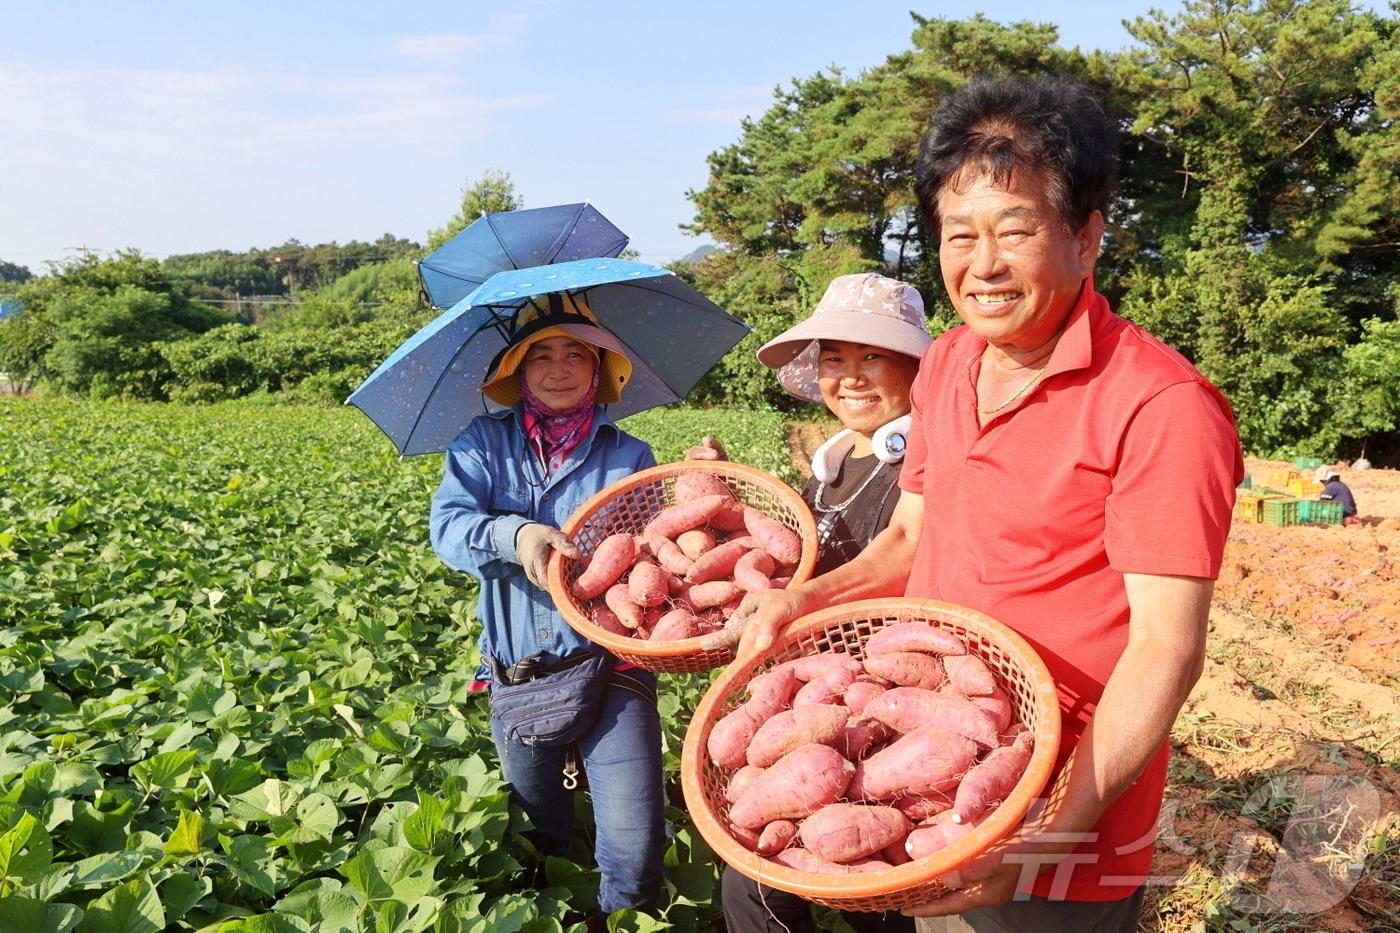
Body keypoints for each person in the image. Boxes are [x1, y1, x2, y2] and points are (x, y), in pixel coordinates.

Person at [734, 74, 1243, 932]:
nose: (984, 264)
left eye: (1015, 230)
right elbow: (908, 534)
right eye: (958, 234)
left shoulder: (1160, 406)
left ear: (1086, 239)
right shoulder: (946, 364)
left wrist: (1046, 834)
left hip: (1064, 813)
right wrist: (804, 596)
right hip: (939, 775)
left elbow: (1167, 648)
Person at [700, 272, 931, 933]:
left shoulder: (920, 463)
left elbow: (900, 555)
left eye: (873, 356)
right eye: (835, 358)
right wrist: (720, 492)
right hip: (814, 698)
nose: (850, 376)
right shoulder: (831, 466)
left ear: (916, 366)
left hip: (881, 706)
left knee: (859, 886)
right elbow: (794, 555)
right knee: (799, 879)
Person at [429, 295, 665, 920]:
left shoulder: (629, 456)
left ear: (599, 370)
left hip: (615, 665)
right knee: (543, 838)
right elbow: (449, 529)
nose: (558, 368)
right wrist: (515, 534)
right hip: (522, 671)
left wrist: (703, 494)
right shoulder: (482, 444)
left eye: (576, 355)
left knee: (636, 848)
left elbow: (661, 555)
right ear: (518, 368)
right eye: (541, 354)